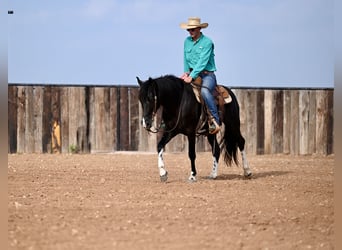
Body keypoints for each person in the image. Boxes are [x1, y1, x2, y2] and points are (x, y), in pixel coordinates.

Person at [179, 17, 221, 134]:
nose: (190, 32)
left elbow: (202, 62)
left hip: (207, 75)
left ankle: (214, 121)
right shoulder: (187, 41)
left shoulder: (207, 42)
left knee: (205, 92)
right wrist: (186, 72)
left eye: (192, 30)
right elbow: (185, 58)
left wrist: (191, 76)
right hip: (192, 74)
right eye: (188, 30)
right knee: (178, 89)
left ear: (199, 29)